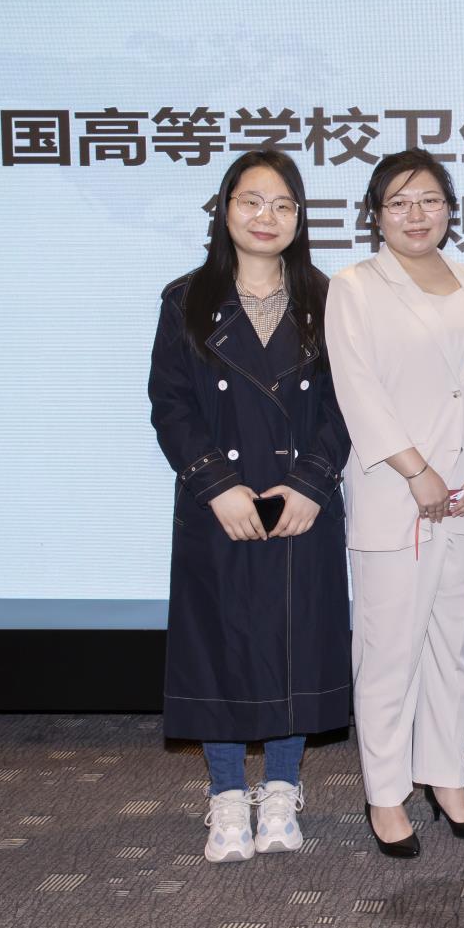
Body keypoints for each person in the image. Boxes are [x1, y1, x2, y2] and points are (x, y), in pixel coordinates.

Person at [147, 149, 351, 864]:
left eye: (283, 204)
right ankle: (228, 795)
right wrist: (216, 485)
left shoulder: (331, 299)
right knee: (221, 647)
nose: (267, 217)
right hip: (220, 506)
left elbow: (351, 403)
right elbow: (170, 404)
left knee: (297, 645)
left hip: (299, 502)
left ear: (300, 218)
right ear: (225, 209)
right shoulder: (185, 299)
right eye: (252, 201)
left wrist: (313, 482)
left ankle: (284, 789)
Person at [326, 149, 464, 859]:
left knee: (452, 649)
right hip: (397, 494)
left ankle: (446, 778)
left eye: (429, 200)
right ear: (376, 215)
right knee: (389, 651)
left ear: (450, 209)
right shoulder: (354, 288)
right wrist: (415, 469)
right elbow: (357, 390)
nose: (416, 215)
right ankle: (387, 793)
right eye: (398, 203)